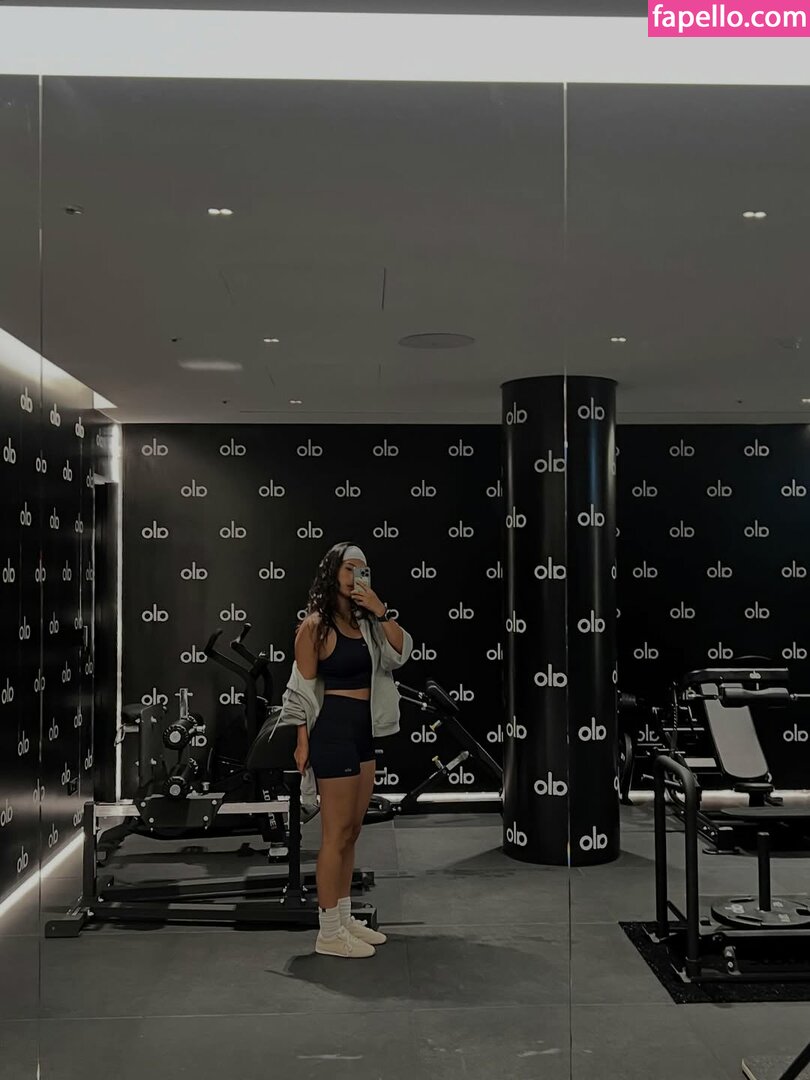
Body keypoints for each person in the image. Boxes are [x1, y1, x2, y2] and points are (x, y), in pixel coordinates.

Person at [278, 542, 412, 959]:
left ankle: (345, 915)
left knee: (353, 831)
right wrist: (302, 742)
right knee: (334, 835)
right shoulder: (315, 626)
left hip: (363, 731)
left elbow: (400, 654)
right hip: (332, 731)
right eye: (349, 568)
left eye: (362, 569)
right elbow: (300, 690)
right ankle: (329, 932)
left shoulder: (367, 622)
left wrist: (380, 610)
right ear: (333, 572)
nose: (356, 576)